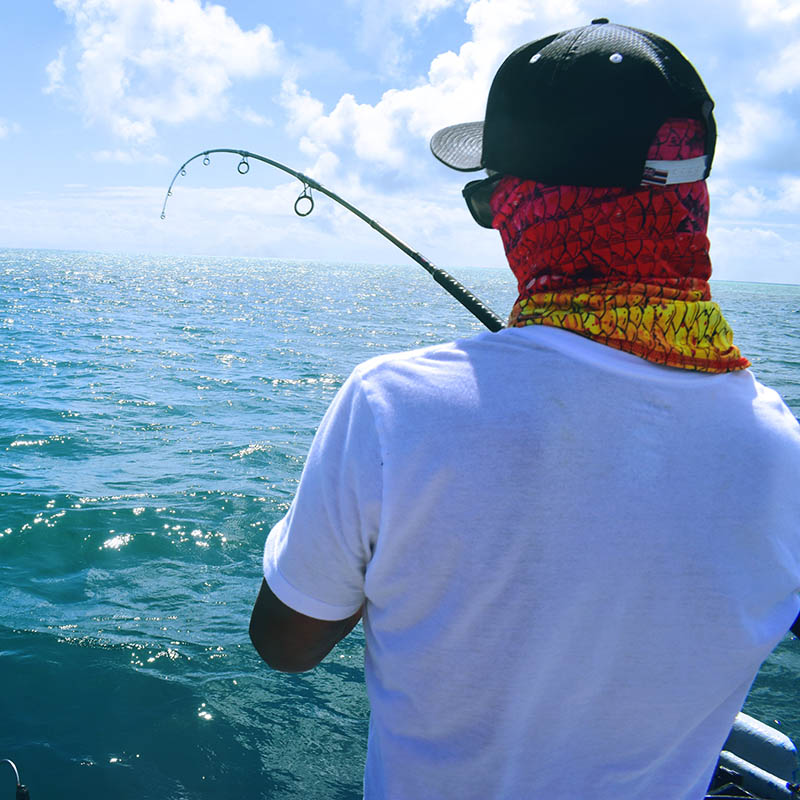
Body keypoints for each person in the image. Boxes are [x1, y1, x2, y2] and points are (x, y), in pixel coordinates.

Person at [250, 19, 800, 799]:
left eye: (489, 196)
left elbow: (286, 643)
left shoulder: (391, 408)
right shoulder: (784, 453)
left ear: (526, 208)